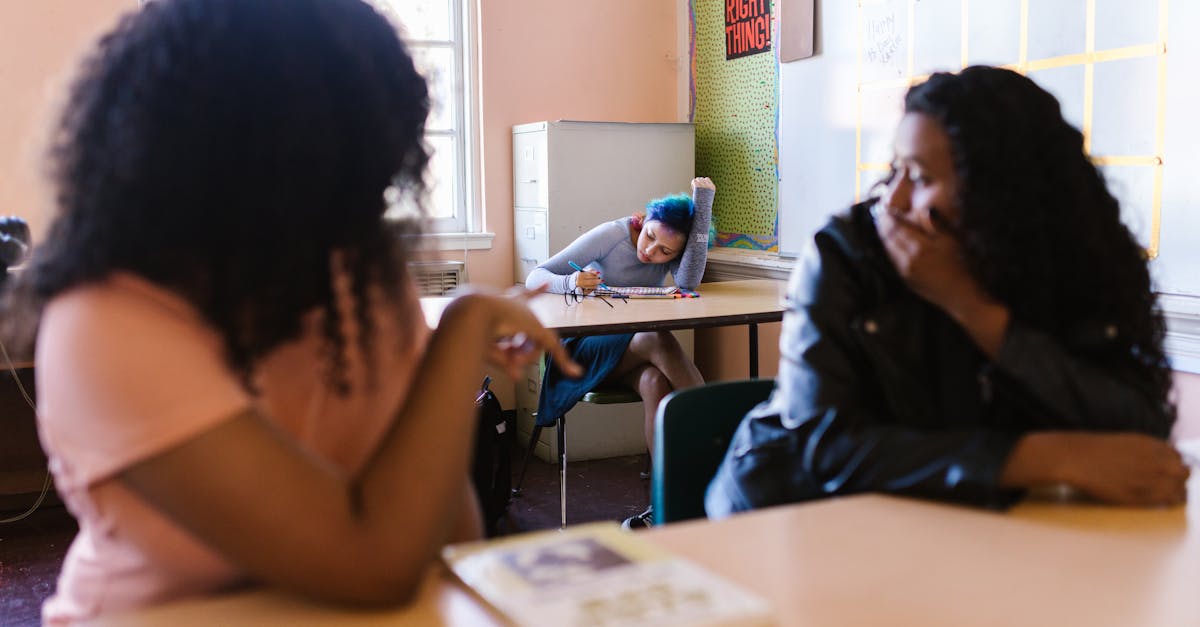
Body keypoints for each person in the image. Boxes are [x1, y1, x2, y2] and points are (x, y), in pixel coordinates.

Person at [8, 0, 579, 623]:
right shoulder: (106, 321)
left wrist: (445, 365)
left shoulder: (355, 271)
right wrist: (462, 330)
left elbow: (448, 533)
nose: (357, 205)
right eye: (333, 173)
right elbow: (375, 563)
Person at [706, 66, 1190, 517]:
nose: (890, 202)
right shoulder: (845, 253)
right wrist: (1039, 457)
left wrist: (975, 311)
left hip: (959, 527)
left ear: (1000, 196)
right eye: (893, 170)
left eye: (920, 177)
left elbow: (1139, 430)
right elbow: (827, 450)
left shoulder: (1064, 264)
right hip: (788, 516)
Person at [525, 177, 715, 528]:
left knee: (655, 381)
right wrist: (570, 282)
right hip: (579, 350)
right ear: (641, 221)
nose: (651, 252)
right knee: (657, 339)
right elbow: (534, 277)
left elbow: (687, 283)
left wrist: (702, 208)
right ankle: (717, 434)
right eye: (650, 237)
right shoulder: (611, 235)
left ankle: (664, 506)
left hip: (624, 355)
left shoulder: (671, 252)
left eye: (665, 253)